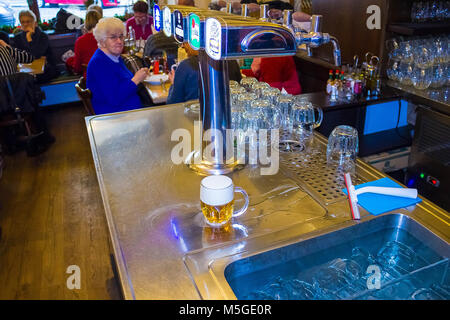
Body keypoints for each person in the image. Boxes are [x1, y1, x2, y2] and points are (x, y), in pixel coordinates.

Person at [87, 17, 150, 115]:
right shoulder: (99, 63)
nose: (119, 41)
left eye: (121, 36)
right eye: (113, 37)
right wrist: (136, 79)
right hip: (115, 117)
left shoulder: (114, 57)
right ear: (102, 41)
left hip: (128, 110)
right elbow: (114, 98)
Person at [167, 43, 242, 104]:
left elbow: (172, 104)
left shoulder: (185, 66)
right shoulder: (231, 61)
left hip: (194, 120)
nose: (183, 46)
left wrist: (173, 84)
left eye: (186, 42)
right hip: (227, 119)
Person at [13, 10, 59, 83]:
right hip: (26, 68)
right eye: (23, 22)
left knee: (33, 79)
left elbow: (36, 55)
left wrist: (29, 39)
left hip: (45, 68)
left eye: (28, 22)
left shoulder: (43, 36)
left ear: (35, 23)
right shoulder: (17, 38)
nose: (25, 24)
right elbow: (18, 56)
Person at [66, 10, 101, 79]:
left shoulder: (80, 41)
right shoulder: (106, 38)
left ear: (86, 23)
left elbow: (77, 68)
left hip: (90, 78)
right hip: (108, 75)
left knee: (69, 60)